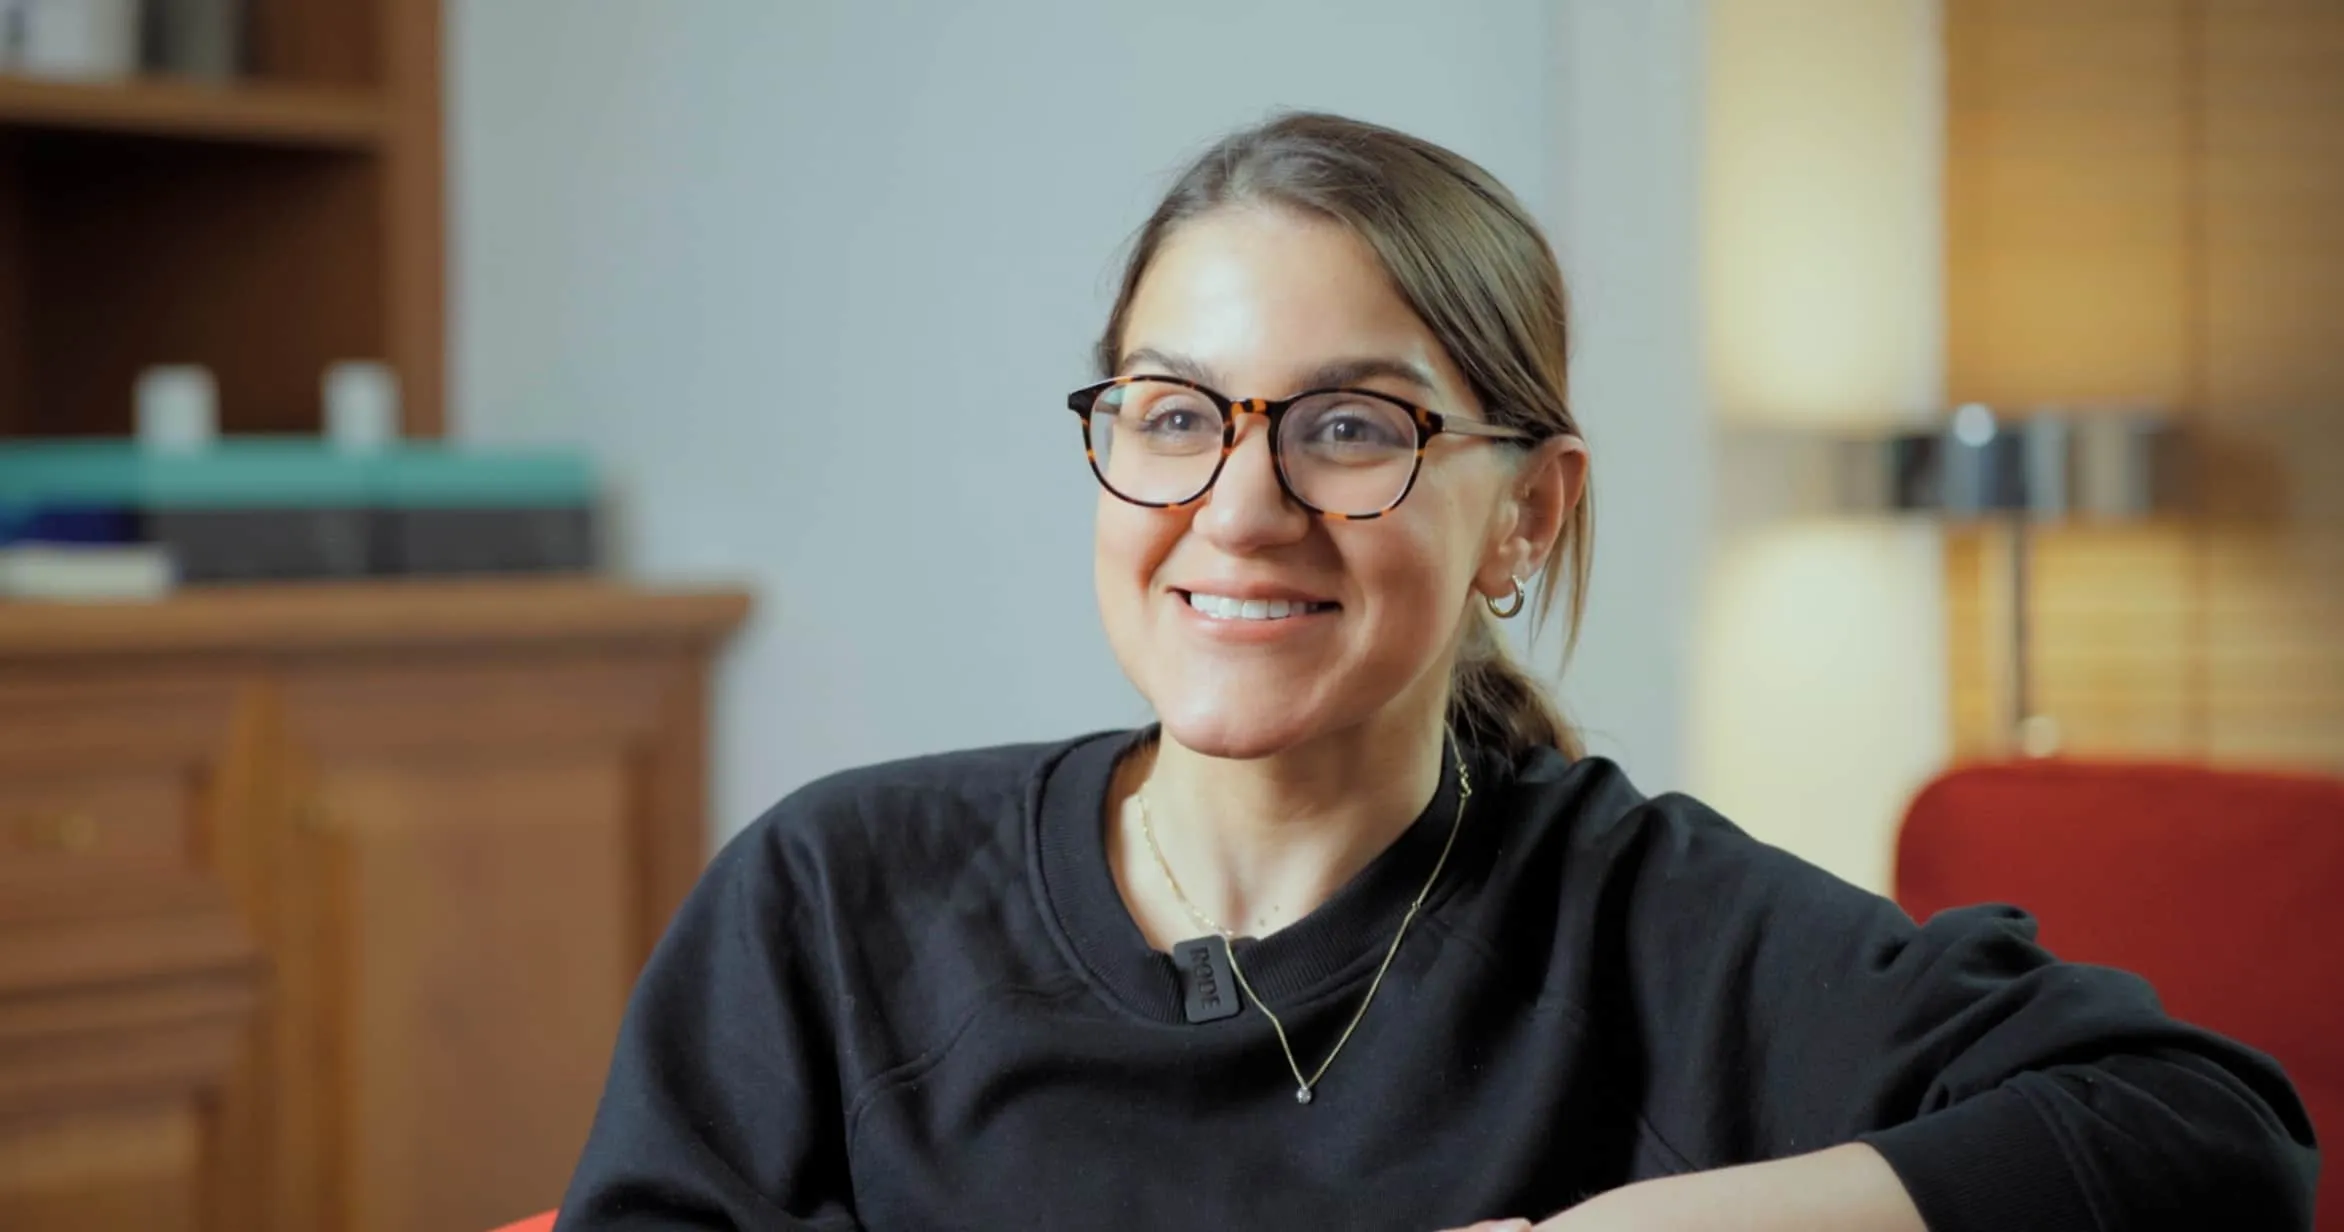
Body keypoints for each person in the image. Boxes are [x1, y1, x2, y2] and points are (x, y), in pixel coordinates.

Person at [554, 112, 2317, 1231]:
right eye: (1172, 416)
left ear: (1522, 519)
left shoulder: (1645, 929)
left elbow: (2206, 1136)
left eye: (1350, 427)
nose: (1238, 509)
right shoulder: (837, 895)